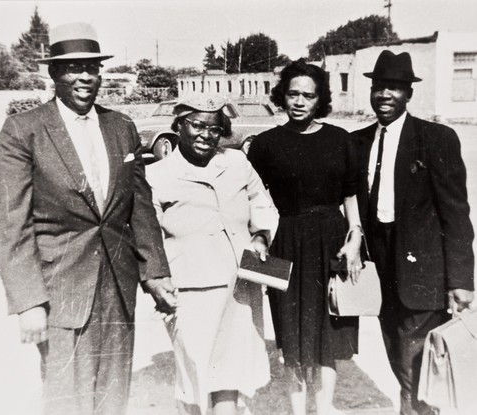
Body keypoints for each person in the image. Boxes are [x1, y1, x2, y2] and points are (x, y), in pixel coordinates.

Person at [0, 22, 177, 415]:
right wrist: (29, 302)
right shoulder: (25, 130)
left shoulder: (121, 126)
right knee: (67, 398)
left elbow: (139, 206)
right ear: (54, 74)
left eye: (91, 68)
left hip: (118, 288)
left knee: (113, 394)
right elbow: (11, 223)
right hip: (60, 290)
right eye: (73, 68)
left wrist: (155, 272)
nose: (84, 77)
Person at [354, 50, 475, 415]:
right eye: (378, 87)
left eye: (393, 88)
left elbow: (456, 213)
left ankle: (416, 411)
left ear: (408, 94)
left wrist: (461, 279)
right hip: (382, 265)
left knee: (415, 355)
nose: (384, 96)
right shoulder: (358, 142)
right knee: (395, 346)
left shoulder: (435, 138)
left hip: (423, 267)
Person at [146, 96, 279, 415]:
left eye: (215, 128)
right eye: (197, 125)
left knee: (229, 380)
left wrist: (261, 235)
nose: (206, 134)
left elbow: (263, 204)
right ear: (178, 126)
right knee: (194, 380)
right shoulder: (157, 176)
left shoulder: (237, 163)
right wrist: (154, 279)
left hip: (239, 287)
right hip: (190, 292)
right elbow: (146, 237)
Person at [247, 59, 363, 415]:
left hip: (331, 238)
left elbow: (350, 194)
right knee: (290, 325)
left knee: (331, 324)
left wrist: (356, 236)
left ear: (319, 100)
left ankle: (324, 406)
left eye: (308, 96)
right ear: (282, 96)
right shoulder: (265, 144)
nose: (299, 101)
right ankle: (298, 409)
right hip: (284, 240)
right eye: (293, 94)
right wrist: (258, 238)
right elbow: (253, 198)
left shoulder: (340, 139)